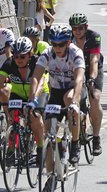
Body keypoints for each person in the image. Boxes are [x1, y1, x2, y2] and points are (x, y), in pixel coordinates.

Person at [29, 25, 85, 171]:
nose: (57, 48)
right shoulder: (48, 53)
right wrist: (32, 100)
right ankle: (50, 174)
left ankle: (75, 143)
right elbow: (36, 77)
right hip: (55, 93)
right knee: (49, 136)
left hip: (73, 90)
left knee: (69, 99)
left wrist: (74, 102)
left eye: (60, 44)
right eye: (54, 44)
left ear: (68, 43)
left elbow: (79, 79)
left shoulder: (76, 53)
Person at [0, 37, 47, 164]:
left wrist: (34, 100)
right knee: (13, 118)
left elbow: (40, 83)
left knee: (35, 116)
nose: (18, 60)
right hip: (18, 94)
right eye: (16, 56)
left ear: (29, 55)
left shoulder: (37, 63)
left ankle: (40, 148)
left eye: (22, 57)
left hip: (38, 93)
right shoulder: (9, 63)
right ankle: (10, 150)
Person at [69, 14, 105, 156]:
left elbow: (94, 59)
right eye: (74, 28)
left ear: (86, 27)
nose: (77, 31)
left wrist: (91, 78)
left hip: (92, 67)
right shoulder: (68, 39)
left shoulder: (94, 37)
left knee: (94, 97)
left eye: (80, 28)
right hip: (75, 68)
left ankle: (96, 138)